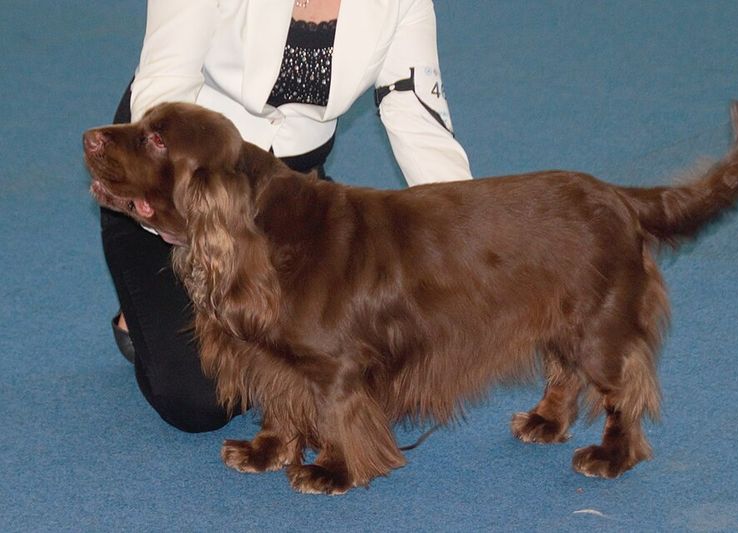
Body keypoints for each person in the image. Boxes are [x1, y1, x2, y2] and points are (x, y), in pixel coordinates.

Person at [101, 0, 473, 433]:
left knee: (375, 364)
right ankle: (145, 301)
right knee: (200, 400)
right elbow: (164, 89)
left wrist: (463, 236)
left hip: (294, 196)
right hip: (182, 189)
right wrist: (169, 215)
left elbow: (417, 118)